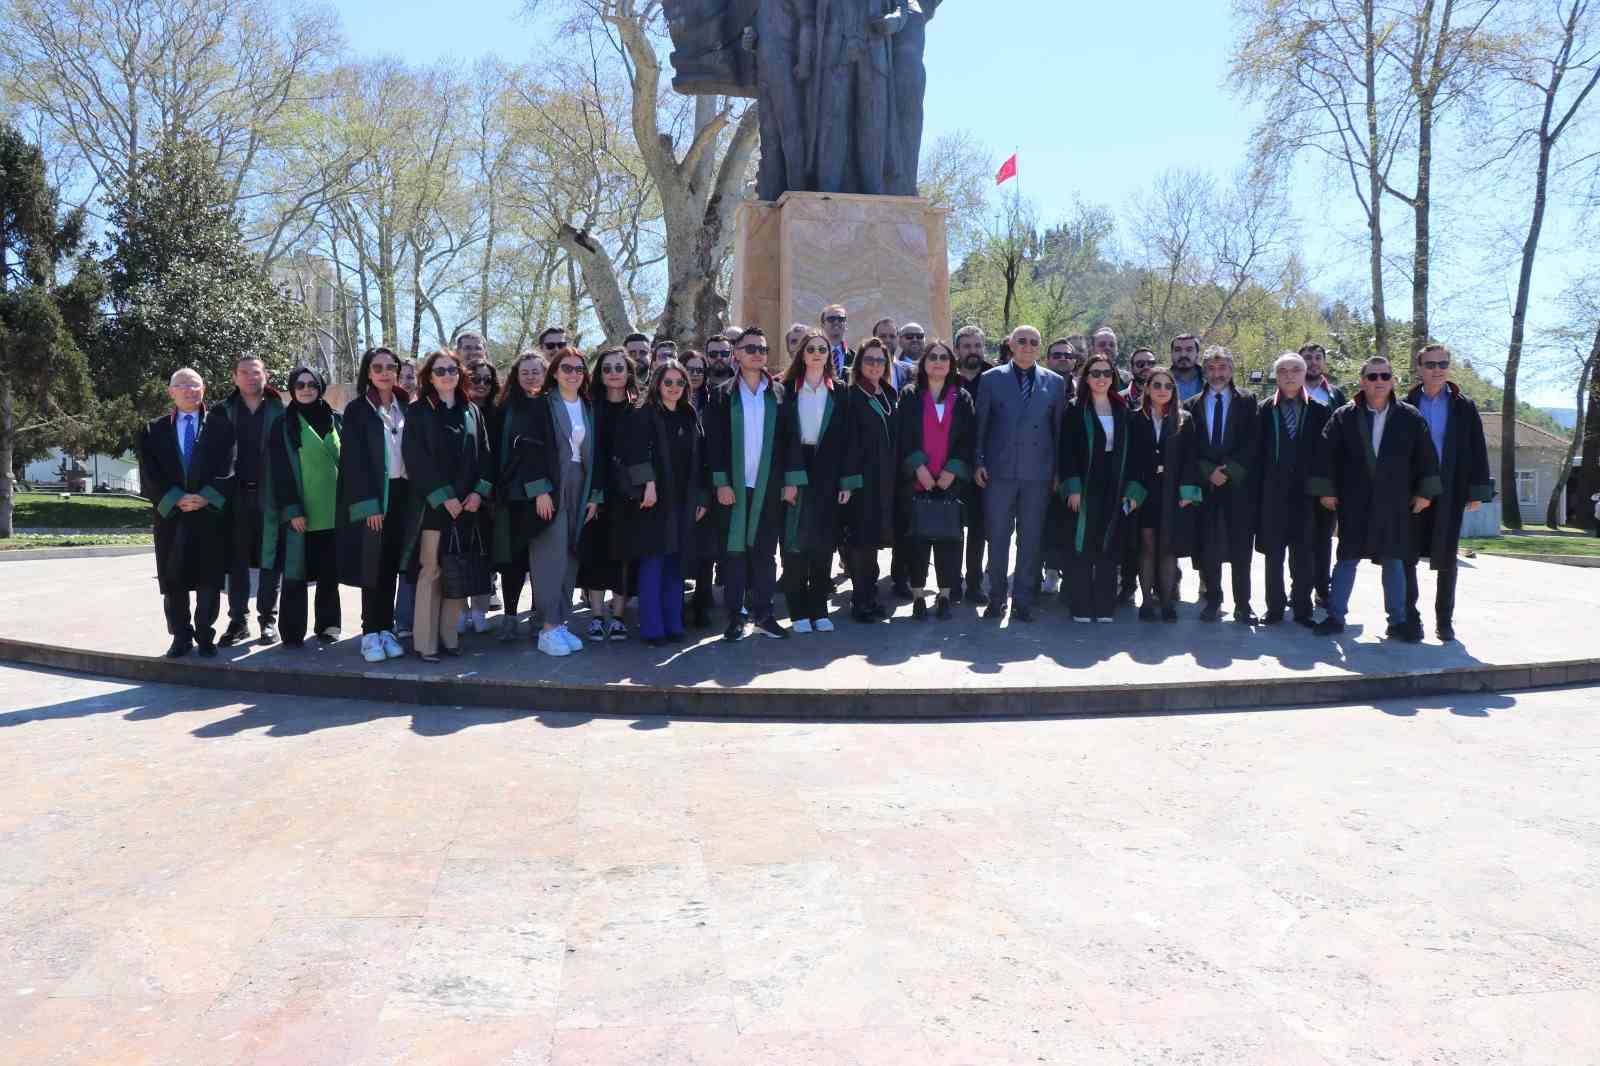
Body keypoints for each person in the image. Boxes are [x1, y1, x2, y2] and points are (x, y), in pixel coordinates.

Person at [1310, 356, 1442, 637]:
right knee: (1346, 559)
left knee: (1394, 560)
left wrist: (1424, 493)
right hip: (1354, 501)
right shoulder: (1344, 416)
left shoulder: (1409, 416)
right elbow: (1325, 455)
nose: (1379, 381)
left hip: (1394, 502)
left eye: (1384, 376)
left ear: (1393, 381)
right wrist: (1326, 490)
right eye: (1372, 376)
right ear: (1362, 381)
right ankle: (1335, 617)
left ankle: (1397, 622)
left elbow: (1426, 457)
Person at [400, 348, 493, 661]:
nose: (447, 376)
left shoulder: (472, 411)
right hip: (433, 508)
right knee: (432, 571)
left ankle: (450, 639)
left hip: (468, 508)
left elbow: (486, 457)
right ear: (429, 376)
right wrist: (445, 497)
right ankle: (426, 644)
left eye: (452, 370)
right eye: (440, 371)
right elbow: (415, 460)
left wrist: (478, 494)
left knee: (458, 571)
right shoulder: (418, 412)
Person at [975, 325, 1068, 622]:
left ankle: (1024, 601)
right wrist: (978, 461)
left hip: (1038, 473)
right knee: (998, 538)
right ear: (1011, 345)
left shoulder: (1054, 382)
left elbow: (1058, 431)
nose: (1027, 346)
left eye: (1033, 342)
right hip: (999, 471)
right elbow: (981, 425)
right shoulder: (991, 379)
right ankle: (996, 598)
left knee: (1030, 540)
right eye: (1022, 341)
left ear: (1039, 348)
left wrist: (1058, 471)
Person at [139, 368, 233, 658]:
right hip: (172, 515)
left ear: (203, 389)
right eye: (182, 385)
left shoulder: (221, 426)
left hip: (209, 515)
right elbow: (149, 472)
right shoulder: (153, 430)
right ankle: (181, 636)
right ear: (171, 392)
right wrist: (177, 499)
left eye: (194, 385)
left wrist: (206, 497)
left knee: (209, 578)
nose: (189, 390)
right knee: (173, 577)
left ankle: (206, 635)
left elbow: (230, 465)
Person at [1404, 343, 1494, 642]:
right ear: (1419, 369)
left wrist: (1477, 489)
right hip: (1413, 490)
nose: (1437, 369)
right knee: (1406, 556)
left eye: (1443, 363)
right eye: (1431, 364)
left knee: (1447, 557)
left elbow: (1477, 449)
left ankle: (1444, 621)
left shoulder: (1462, 405)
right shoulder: (1405, 403)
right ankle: (1409, 618)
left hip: (1451, 487)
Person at [516, 347, 599, 657]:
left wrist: (595, 495)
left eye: (579, 369)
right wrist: (539, 491)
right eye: (567, 368)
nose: (573, 373)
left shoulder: (589, 406)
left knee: (570, 556)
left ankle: (559, 621)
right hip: (551, 486)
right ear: (554, 371)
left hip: (581, 483)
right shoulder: (540, 405)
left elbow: (597, 454)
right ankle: (547, 628)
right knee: (550, 557)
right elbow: (529, 450)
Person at [707, 326, 789, 640]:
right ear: (737, 353)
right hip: (735, 487)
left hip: (768, 485)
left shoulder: (779, 393)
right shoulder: (722, 393)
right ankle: (736, 615)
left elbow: (789, 440)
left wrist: (791, 481)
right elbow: (713, 444)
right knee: (734, 552)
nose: (757, 354)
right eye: (751, 348)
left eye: (763, 349)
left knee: (766, 552)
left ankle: (765, 613)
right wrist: (721, 483)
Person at [1057, 353, 1150, 623]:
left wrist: (1133, 492)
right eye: (1095, 373)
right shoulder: (1076, 409)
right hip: (1085, 484)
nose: (1101, 378)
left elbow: (1136, 455)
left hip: (1116, 482)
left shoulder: (1124, 410)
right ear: (1086, 377)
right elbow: (1067, 452)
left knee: (1110, 544)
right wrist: (1072, 487)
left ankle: (1104, 604)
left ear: (1114, 377)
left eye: (1106, 373)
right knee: (1082, 543)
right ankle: (1081, 605)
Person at [624, 357, 707, 645]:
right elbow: (636, 453)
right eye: (668, 382)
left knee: (676, 563)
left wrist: (701, 497)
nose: (674, 387)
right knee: (653, 563)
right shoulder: (644, 414)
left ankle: (674, 623)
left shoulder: (689, 414)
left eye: (680, 382)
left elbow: (700, 461)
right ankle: (652, 628)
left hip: (684, 499)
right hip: (654, 500)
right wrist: (647, 484)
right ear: (657, 383)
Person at [338, 347, 411, 664]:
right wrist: (369, 506)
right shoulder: (357, 409)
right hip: (374, 497)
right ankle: (370, 632)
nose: (384, 372)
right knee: (373, 565)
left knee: (392, 564)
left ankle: (386, 629)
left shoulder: (407, 404)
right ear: (368, 372)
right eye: (377, 367)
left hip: (403, 494)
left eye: (390, 366)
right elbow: (352, 461)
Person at [778, 329, 854, 632]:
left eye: (823, 349)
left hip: (828, 472)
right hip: (795, 468)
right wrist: (789, 479)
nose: (817, 353)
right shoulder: (786, 389)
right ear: (802, 354)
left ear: (829, 355)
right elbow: (782, 439)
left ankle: (819, 608)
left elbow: (849, 439)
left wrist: (847, 482)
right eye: (811, 349)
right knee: (795, 543)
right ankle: (797, 611)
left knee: (823, 543)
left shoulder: (839, 390)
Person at [896, 339, 976, 620]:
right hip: (917, 481)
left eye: (944, 357)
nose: (939, 362)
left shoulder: (962, 397)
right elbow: (904, 434)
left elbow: (968, 438)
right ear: (924, 363)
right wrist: (919, 468)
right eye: (933, 357)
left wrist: (951, 471)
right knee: (917, 539)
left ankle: (944, 594)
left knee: (949, 540)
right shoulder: (910, 395)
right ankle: (918, 595)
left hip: (950, 481)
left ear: (951, 364)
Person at [1253, 353, 1331, 627]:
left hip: (1306, 496)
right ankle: (1274, 607)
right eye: (1283, 370)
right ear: (1276, 375)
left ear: (1304, 373)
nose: (1289, 375)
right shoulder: (1264, 409)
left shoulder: (1320, 410)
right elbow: (1256, 455)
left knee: (1304, 554)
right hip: (1273, 494)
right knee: (1273, 554)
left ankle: (1302, 609)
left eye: (1295, 370)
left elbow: (1327, 455)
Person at [266, 367, 342, 648]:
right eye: (300, 384)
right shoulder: (282, 424)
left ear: (320, 386)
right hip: (301, 513)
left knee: (329, 575)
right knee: (295, 574)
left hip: (334, 511)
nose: (306, 388)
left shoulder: (338, 420)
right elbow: (279, 471)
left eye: (312, 384)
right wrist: (292, 509)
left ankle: (329, 625)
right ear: (292, 388)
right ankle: (292, 630)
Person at [1186, 346, 1259, 622]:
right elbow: (1190, 446)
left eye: (1223, 367)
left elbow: (1253, 441)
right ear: (1205, 371)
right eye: (1212, 368)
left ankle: (1243, 605)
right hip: (1207, 487)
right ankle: (1213, 600)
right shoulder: (1191, 404)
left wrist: (1228, 471)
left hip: (1239, 487)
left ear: (1231, 369)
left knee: (1241, 549)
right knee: (1209, 548)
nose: (1218, 373)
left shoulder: (1248, 401)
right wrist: (1209, 472)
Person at [216, 355, 283, 647]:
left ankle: (268, 620)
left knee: (271, 560)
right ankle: (238, 621)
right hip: (236, 498)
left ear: (265, 375)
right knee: (237, 561)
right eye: (244, 373)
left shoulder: (280, 410)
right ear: (235, 377)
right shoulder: (223, 411)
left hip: (271, 496)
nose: (250, 377)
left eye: (255, 372)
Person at [579, 348, 638, 641]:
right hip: (594, 496)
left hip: (629, 497)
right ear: (599, 375)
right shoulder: (589, 408)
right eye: (607, 368)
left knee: (623, 556)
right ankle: (596, 615)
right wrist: (595, 494)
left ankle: (617, 616)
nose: (614, 372)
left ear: (629, 372)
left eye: (619, 367)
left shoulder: (638, 408)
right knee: (595, 556)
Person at [1132, 367, 1200, 621]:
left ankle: (1168, 602)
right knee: (1148, 546)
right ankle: (1147, 601)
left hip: (1173, 492)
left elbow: (1190, 459)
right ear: (1148, 389)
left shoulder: (1185, 419)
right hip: (1144, 492)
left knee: (1168, 548)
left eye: (1168, 386)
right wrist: (1132, 492)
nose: (1162, 390)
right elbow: (1130, 459)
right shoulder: (1135, 418)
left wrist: (1188, 492)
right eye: (1157, 385)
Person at [840, 336, 898, 621]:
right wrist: (848, 483)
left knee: (874, 542)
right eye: (869, 360)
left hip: (885, 481)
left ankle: (870, 596)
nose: (875, 365)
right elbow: (847, 443)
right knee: (862, 542)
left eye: (880, 360)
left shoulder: (887, 393)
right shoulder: (852, 396)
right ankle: (861, 602)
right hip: (862, 482)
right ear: (859, 363)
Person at [490, 351, 546, 642]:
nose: (531, 377)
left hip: (544, 496)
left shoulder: (552, 405)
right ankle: (510, 616)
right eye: (525, 372)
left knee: (539, 559)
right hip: (511, 495)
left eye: (536, 371)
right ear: (516, 375)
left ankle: (538, 614)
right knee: (512, 561)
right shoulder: (504, 408)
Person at [1299, 341, 1347, 609]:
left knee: (1323, 537)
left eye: (1318, 357)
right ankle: (1299, 588)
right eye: (1308, 357)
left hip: (1327, 477)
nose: (1314, 362)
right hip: (1296, 476)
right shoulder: (1290, 391)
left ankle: (1322, 588)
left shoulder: (1336, 395)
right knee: (1299, 537)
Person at [459, 346, 500, 633]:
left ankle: (480, 612)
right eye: (476, 380)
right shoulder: (458, 409)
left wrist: (484, 491)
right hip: (459, 495)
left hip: (491, 495)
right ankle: (460, 611)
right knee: (458, 555)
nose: (482, 385)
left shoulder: (500, 412)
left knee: (486, 556)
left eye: (487, 380)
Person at [955, 325, 991, 604]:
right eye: (967, 346)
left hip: (985, 466)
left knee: (979, 528)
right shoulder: (946, 376)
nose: (972, 351)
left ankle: (975, 583)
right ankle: (952, 583)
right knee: (951, 527)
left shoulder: (995, 378)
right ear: (958, 350)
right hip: (951, 465)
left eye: (977, 346)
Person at [393, 357, 420, 637]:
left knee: (412, 560)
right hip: (392, 493)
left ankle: (407, 619)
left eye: (411, 376)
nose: (407, 381)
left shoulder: (422, 410)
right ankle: (397, 619)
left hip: (419, 494)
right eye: (403, 376)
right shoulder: (386, 409)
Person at [1170, 334, 1204, 403]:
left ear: (1197, 353)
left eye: (1189, 350)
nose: (1183, 354)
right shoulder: (1161, 380)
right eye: (1177, 350)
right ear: (1171, 353)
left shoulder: (1210, 380)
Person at [820, 305, 852, 376]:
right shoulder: (815, 355)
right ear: (822, 325)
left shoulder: (855, 357)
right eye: (831, 319)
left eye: (841, 319)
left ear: (846, 325)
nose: (836, 322)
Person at [893, 322, 924, 391]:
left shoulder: (934, 365)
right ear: (899, 341)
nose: (915, 339)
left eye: (920, 336)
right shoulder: (895, 369)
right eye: (909, 336)